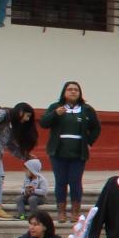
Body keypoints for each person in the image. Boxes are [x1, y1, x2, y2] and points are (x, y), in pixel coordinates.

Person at [41, 81, 102, 224]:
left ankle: (75, 212)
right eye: (70, 89)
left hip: (78, 153)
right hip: (58, 151)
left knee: (75, 182)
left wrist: (89, 142)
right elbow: (43, 123)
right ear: (64, 92)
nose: (73, 92)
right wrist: (55, 114)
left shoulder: (86, 109)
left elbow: (96, 128)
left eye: (76, 90)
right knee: (61, 182)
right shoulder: (56, 107)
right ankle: (61, 212)